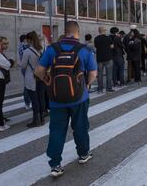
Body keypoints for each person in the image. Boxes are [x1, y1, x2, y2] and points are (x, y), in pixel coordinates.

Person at [35, 21, 97, 178]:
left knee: (56, 130)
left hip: (56, 99)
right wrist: (87, 85)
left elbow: (38, 71)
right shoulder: (84, 50)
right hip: (79, 97)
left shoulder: (51, 49)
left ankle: (55, 164)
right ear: (78, 32)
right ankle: (83, 154)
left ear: (65, 31)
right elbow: (93, 73)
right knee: (81, 126)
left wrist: (47, 81)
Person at [21, 31, 45, 127]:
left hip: (31, 77)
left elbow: (23, 65)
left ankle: (36, 120)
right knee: (41, 98)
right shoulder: (42, 49)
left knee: (34, 99)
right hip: (41, 76)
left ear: (29, 40)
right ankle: (42, 118)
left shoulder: (27, 51)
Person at [94, 27, 115, 93]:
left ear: (98, 31)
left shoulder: (96, 38)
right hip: (108, 58)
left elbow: (96, 46)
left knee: (100, 75)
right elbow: (112, 46)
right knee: (109, 74)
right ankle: (108, 89)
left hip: (99, 59)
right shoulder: (108, 38)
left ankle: (100, 89)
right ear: (104, 30)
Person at [18, 34, 31, 109]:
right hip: (26, 67)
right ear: (25, 39)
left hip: (24, 67)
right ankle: (27, 102)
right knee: (27, 85)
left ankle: (28, 102)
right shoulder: (24, 46)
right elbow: (26, 57)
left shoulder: (21, 46)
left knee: (27, 85)